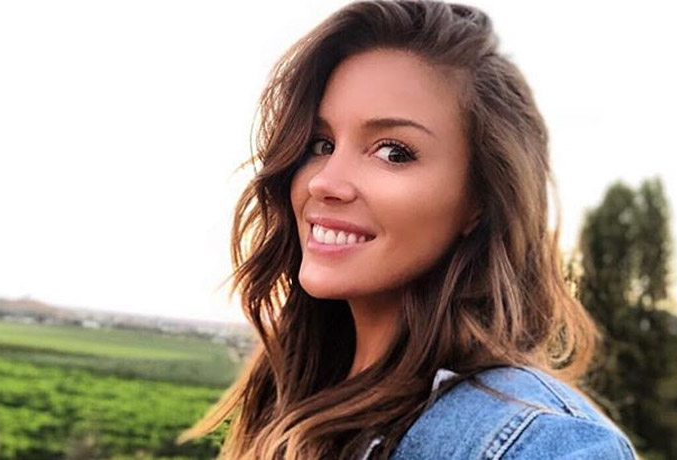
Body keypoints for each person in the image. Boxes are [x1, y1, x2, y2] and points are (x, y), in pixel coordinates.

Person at [180, 1, 638, 458]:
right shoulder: (298, 396)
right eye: (321, 144)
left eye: (393, 152)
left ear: (479, 201)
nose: (325, 182)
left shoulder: (542, 443)